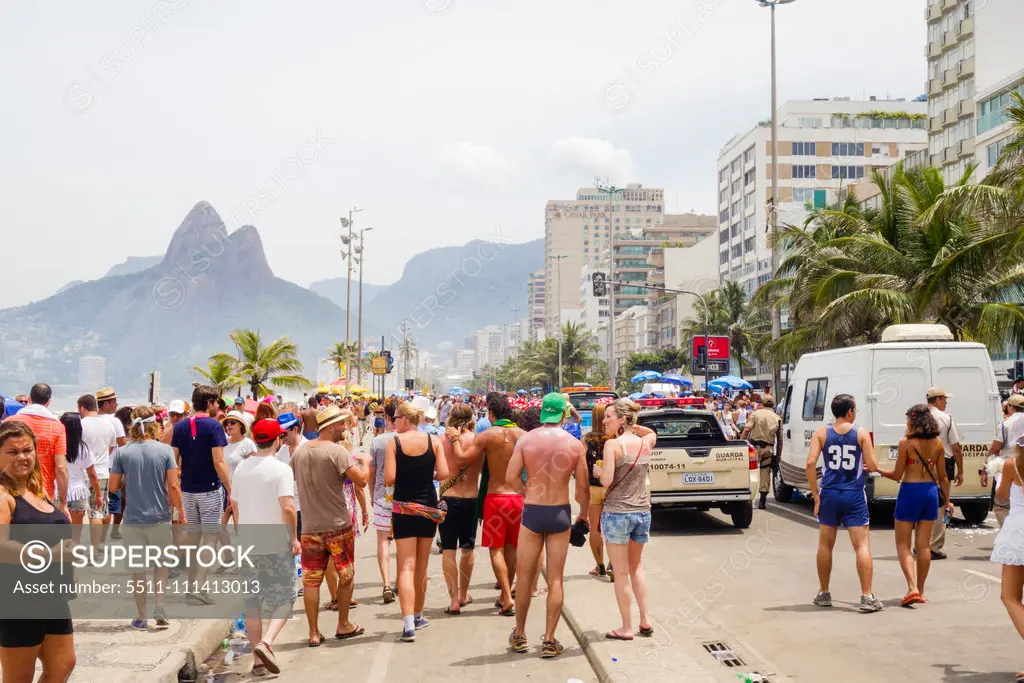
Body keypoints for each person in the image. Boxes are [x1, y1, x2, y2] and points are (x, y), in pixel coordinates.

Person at [504, 393, 590, 658]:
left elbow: (510, 478)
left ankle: (519, 635)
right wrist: (583, 515)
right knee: (555, 580)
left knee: (526, 577)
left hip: (532, 511)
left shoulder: (527, 440)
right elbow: (583, 489)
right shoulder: (575, 444)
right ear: (563, 414)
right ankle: (550, 640)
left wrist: (526, 492)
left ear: (543, 413)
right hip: (559, 513)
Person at [0, 420, 76, 682]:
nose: (22, 457)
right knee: (19, 677)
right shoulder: (3, 496)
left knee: (63, 664)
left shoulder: (36, 490)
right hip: (20, 600)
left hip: (52, 596)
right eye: (13, 452)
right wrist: (51, 555)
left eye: (28, 450)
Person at [291, 405, 369, 646]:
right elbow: (362, 481)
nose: (345, 428)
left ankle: (314, 633)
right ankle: (343, 624)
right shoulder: (337, 452)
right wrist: (365, 462)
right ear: (330, 426)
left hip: (310, 527)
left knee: (311, 581)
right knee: (346, 575)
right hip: (337, 525)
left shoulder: (299, 453)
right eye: (342, 424)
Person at [230, 419, 299, 676]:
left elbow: (234, 504)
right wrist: (292, 537)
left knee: (252, 602)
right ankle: (266, 643)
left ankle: (257, 662)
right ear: (277, 440)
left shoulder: (241, 469)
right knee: (285, 598)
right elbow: (288, 508)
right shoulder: (281, 470)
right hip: (274, 543)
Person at [806, 394, 885, 612]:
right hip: (854, 493)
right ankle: (867, 596)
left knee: (825, 544)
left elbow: (811, 462)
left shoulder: (822, 433)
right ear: (850, 411)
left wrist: (815, 494)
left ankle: (823, 592)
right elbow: (872, 464)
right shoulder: (860, 433)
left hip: (829, 492)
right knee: (861, 545)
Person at [450, 392, 525, 615]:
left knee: (496, 550)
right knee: (512, 548)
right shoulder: (523, 435)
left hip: (496, 498)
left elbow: (463, 459)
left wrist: (455, 439)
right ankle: (505, 594)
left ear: (491, 413)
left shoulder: (486, 436)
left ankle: (506, 596)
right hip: (518, 498)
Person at [109, 406, 183, 630]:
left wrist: (128, 480)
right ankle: (159, 606)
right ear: (155, 425)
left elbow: (113, 486)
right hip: (160, 517)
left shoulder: (122, 452)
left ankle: (141, 616)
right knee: (161, 566)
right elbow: (173, 485)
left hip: (133, 519)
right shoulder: (165, 451)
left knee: (138, 570)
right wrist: (181, 511)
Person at [385, 402, 449, 642]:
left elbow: (389, 478)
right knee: (421, 566)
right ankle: (419, 614)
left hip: (403, 508)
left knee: (405, 567)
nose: (393, 422)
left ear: (404, 420)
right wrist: (425, 474)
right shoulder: (434, 441)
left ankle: (408, 624)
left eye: (395, 418)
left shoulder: (395, 443)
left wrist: (407, 473)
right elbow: (443, 473)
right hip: (428, 508)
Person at [876, 404, 951, 606]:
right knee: (924, 545)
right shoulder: (938, 444)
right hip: (930, 493)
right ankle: (922, 590)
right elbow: (943, 477)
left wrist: (877, 469)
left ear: (913, 420)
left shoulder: (906, 444)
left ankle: (912, 587)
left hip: (910, 492)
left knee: (902, 543)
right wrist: (949, 500)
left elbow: (897, 475)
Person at [596, 398, 658, 641]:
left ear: (621, 419)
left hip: (617, 514)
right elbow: (651, 432)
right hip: (642, 511)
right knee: (637, 567)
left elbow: (606, 481)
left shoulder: (613, 446)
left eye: (609, 416)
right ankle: (645, 620)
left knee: (621, 573)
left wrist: (599, 471)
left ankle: (626, 627)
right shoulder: (645, 442)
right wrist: (633, 422)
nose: (604, 420)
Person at [171, 385, 231, 603]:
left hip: (187, 489)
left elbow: (173, 459)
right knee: (210, 538)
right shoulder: (214, 427)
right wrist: (231, 488)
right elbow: (219, 461)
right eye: (216, 403)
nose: (217, 407)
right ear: (209, 403)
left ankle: (190, 585)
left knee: (193, 539)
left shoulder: (180, 427)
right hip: (210, 489)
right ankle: (201, 586)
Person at [439, 403, 483, 615]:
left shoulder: (440, 440)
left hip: (448, 498)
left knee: (448, 549)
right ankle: (464, 594)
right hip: (471, 499)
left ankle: (454, 599)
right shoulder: (477, 440)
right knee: (467, 548)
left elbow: (437, 472)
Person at [4, 383, 69, 517]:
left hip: (10, 489)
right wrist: (63, 502)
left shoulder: (10, 422)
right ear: (49, 402)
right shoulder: (58, 427)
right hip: (43, 492)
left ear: (29, 399)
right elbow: (61, 467)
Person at [990, 433, 1024, 679]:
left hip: (1019, 532)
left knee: (1010, 597)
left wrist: (999, 474)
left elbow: (1002, 495)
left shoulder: (1013, 466)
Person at [925, 387, 963, 560]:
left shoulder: (918, 417)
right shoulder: (946, 418)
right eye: (945, 399)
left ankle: (921, 543)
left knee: (924, 505)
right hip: (943, 464)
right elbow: (956, 448)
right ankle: (934, 546)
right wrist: (960, 470)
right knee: (943, 506)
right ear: (938, 399)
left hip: (920, 465)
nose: (946, 402)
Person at [78, 393, 117, 547]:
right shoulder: (108, 425)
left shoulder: (81, 424)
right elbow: (112, 446)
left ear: (82, 407)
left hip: (82, 474)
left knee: (78, 513)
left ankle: (76, 545)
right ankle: (95, 549)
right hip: (101, 472)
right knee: (97, 513)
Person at [369, 400, 397, 604]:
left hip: (382, 495)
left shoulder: (377, 441)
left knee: (383, 541)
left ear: (386, 418)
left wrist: (371, 494)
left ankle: (386, 582)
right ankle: (401, 581)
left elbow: (371, 472)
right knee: (405, 542)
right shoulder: (408, 439)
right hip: (404, 496)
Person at [59, 412, 101, 545]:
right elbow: (92, 474)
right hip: (79, 491)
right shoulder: (84, 448)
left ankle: (59, 558)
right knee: (76, 532)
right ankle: (73, 557)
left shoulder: (57, 446)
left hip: (59, 490)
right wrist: (98, 494)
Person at [582, 402, 613, 580]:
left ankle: (600, 565)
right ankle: (613, 563)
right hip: (611, 488)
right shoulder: (615, 438)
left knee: (595, 529)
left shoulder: (586, 440)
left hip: (593, 489)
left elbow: (580, 467)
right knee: (612, 529)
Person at [986, 394, 1024, 527]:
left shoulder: (1004, 424)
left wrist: (987, 467)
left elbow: (995, 449)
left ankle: (1009, 530)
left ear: (1010, 407)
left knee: (1002, 504)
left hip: (1009, 467)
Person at [742, 396, 783, 510]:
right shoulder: (777, 418)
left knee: (748, 471)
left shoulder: (755, 414)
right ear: (773, 405)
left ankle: (745, 498)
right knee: (765, 472)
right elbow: (780, 439)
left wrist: (740, 442)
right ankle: (762, 501)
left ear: (763, 404)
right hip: (768, 449)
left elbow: (747, 429)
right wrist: (778, 456)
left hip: (754, 449)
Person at [223, 411, 257, 478]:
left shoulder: (248, 444)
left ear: (241, 425)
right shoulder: (223, 443)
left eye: (232, 422)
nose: (229, 424)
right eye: (226, 423)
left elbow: (253, 469)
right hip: (223, 486)